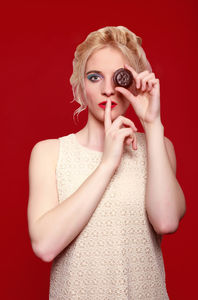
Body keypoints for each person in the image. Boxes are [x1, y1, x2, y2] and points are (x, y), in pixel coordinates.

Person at [27, 26, 186, 299]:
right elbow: (44, 245)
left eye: (119, 79)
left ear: (134, 83)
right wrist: (107, 164)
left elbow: (166, 221)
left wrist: (152, 124)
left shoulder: (159, 148)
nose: (108, 89)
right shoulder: (49, 153)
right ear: (80, 84)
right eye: (94, 77)